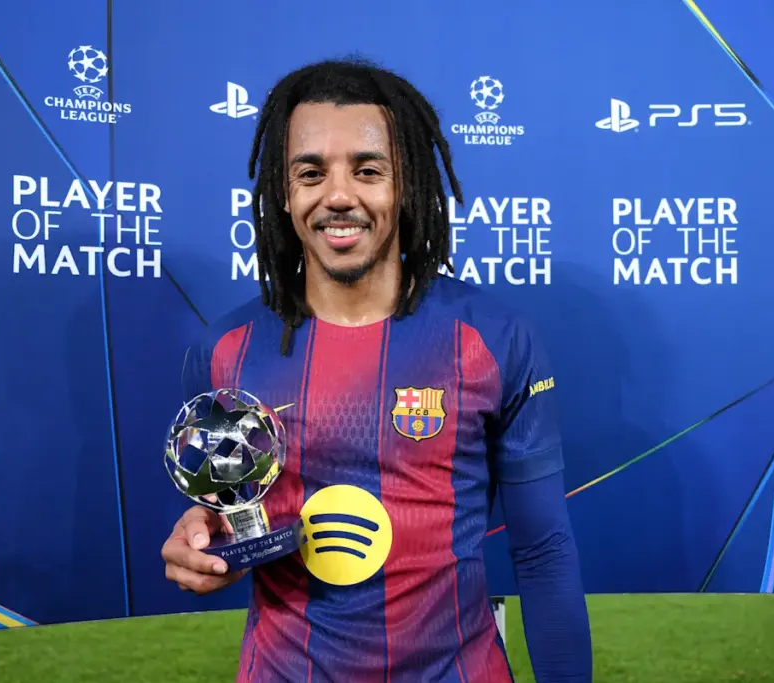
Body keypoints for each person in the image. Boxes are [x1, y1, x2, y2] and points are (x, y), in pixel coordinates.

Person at [161, 57, 592, 682]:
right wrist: (201, 543)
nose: (339, 196)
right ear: (284, 191)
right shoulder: (227, 350)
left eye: (368, 170)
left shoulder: (493, 340)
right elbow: (221, 518)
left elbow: (543, 550)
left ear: (405, 183)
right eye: (311, 172)